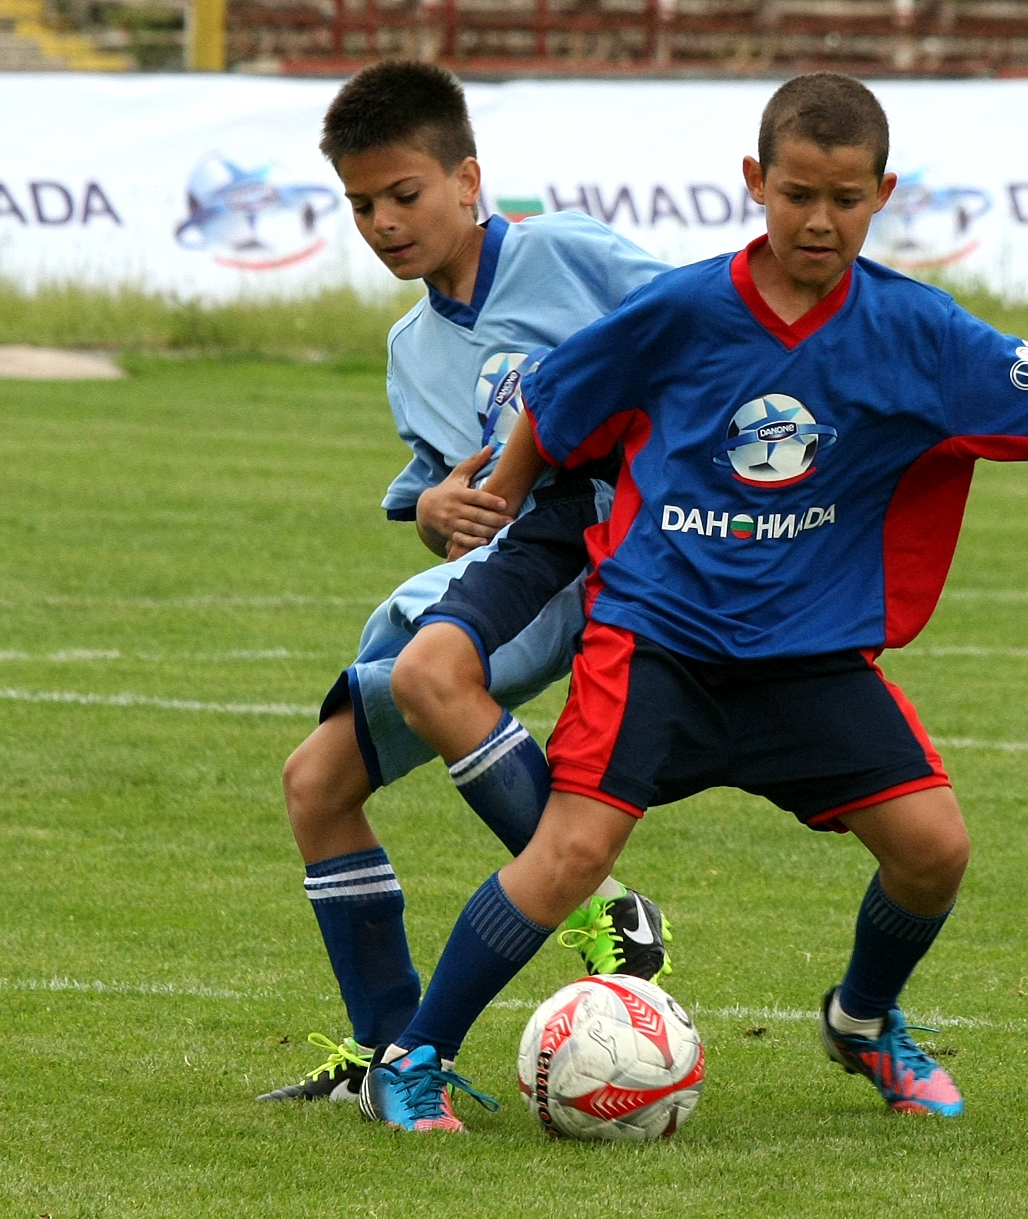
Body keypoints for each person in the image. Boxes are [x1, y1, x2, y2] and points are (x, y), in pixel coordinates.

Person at [360, 71, 1028, 1132]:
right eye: (797, 192)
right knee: (569, 855)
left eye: (844, 198)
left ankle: (862, 1020)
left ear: (882, 193)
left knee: (933, 847)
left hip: (806, 659)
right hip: (656, 642)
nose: (818, 219)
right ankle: (414, 1059)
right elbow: (555, 399)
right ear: (755, 182)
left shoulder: (912, 328)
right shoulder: (679, 311)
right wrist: (500, 489)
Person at [259, 60, 673, 1105]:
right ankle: (385, 1051)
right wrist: (427, 508)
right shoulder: (409, 348)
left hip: (599, 552)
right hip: (502, 571)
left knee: (431, 678)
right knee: (317, 786)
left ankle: (597, 905)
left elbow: (697, 331)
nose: (384, 222)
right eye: (360, 204)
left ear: (467, 179)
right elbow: (440, 493)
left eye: (404, 194)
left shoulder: (569, 254)